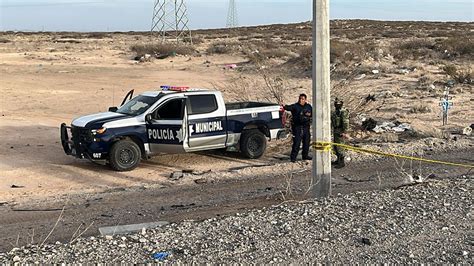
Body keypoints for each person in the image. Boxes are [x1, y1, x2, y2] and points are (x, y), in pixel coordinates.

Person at [283, 94, 313, 163]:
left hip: (306, 127)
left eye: (302, 99)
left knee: (306, 143)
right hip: (297, 127)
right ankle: (293, 158)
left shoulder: (308, 106)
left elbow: (312, 114)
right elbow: (287, 107)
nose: (300, 100)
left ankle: (305, 156)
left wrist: (308, 114)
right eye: (300, 98)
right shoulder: (295, 106)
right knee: (296, 143)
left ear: (305, 100)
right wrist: (283, 106)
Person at [331, 98, 350, 168]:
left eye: (339, 103)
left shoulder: (343, 111)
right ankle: (338, 160)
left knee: (340, 147)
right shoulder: (335, 111)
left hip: (340, 131)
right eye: (336, 103)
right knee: (336, 147)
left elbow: (345, 122)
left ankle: (342, 162)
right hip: (336, 130)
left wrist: (345, 132)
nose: (337, 104)